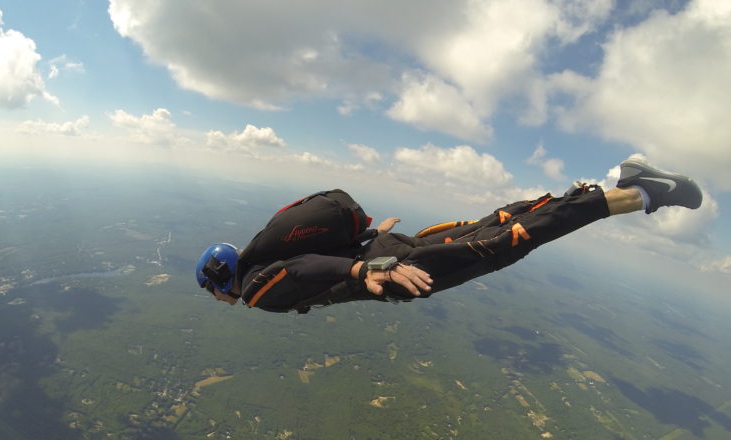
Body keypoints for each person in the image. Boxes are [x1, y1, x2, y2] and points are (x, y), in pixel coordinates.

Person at [195, 157, 703, 313]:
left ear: (222, 280)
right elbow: (309, 258)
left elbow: (299, 269)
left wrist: (360, 268)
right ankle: (612, 188)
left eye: (211, 289)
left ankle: (640, 194)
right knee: (491, 229)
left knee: (502, 246)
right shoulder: (260, 258)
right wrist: (369, 245)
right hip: (387, 253)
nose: (218, 297)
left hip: (389, 270)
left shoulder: (259, 289)